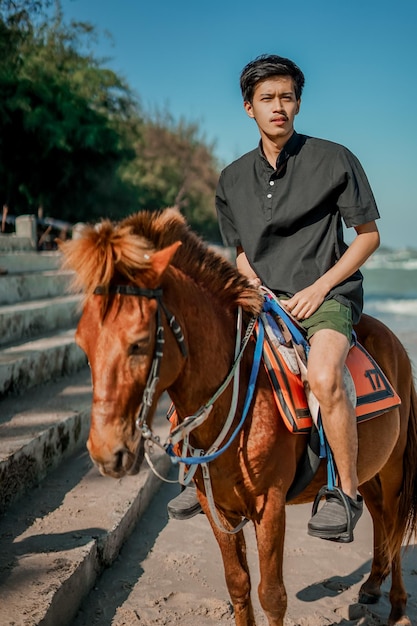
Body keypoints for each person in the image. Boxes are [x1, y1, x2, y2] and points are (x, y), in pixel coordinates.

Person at [167, 54, 380, 542]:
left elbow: (367, 237)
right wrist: (252, 286)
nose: (277, 106)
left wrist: (322, 286)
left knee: (325, 376)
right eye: (267, 98)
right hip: (261, 297)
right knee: (198, 358)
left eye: (286, 97)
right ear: (249, 108)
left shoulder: (334, 158)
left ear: (298, 103)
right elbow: (241, 251)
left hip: (326, 295)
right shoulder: (231, 179)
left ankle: (345, 495)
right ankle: (194, 470)